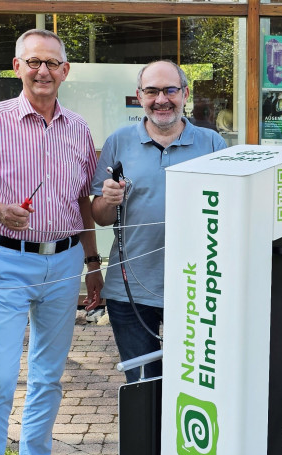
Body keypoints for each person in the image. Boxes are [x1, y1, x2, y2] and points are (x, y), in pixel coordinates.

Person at [0, 28, 103, 455]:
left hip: (63, 262)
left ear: (66, 71)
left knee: (47, 377)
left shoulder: (79, 130)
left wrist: (92, 265)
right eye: (33, 62)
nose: (43, 71)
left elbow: (84, 203)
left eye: (52, 63)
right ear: (17, 67)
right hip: (5, 259)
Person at [91, 60, 226, 382]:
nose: (161, 99)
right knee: (143, 385)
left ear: (185, 94)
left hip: (199, 288)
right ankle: (148, 436)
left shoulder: (212, 144)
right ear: (139, 96)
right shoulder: (118, 142)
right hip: (132, 291)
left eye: (170, 90)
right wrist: (109, 200)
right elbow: (100, 217)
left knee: (193, 384)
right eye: (152, 91)